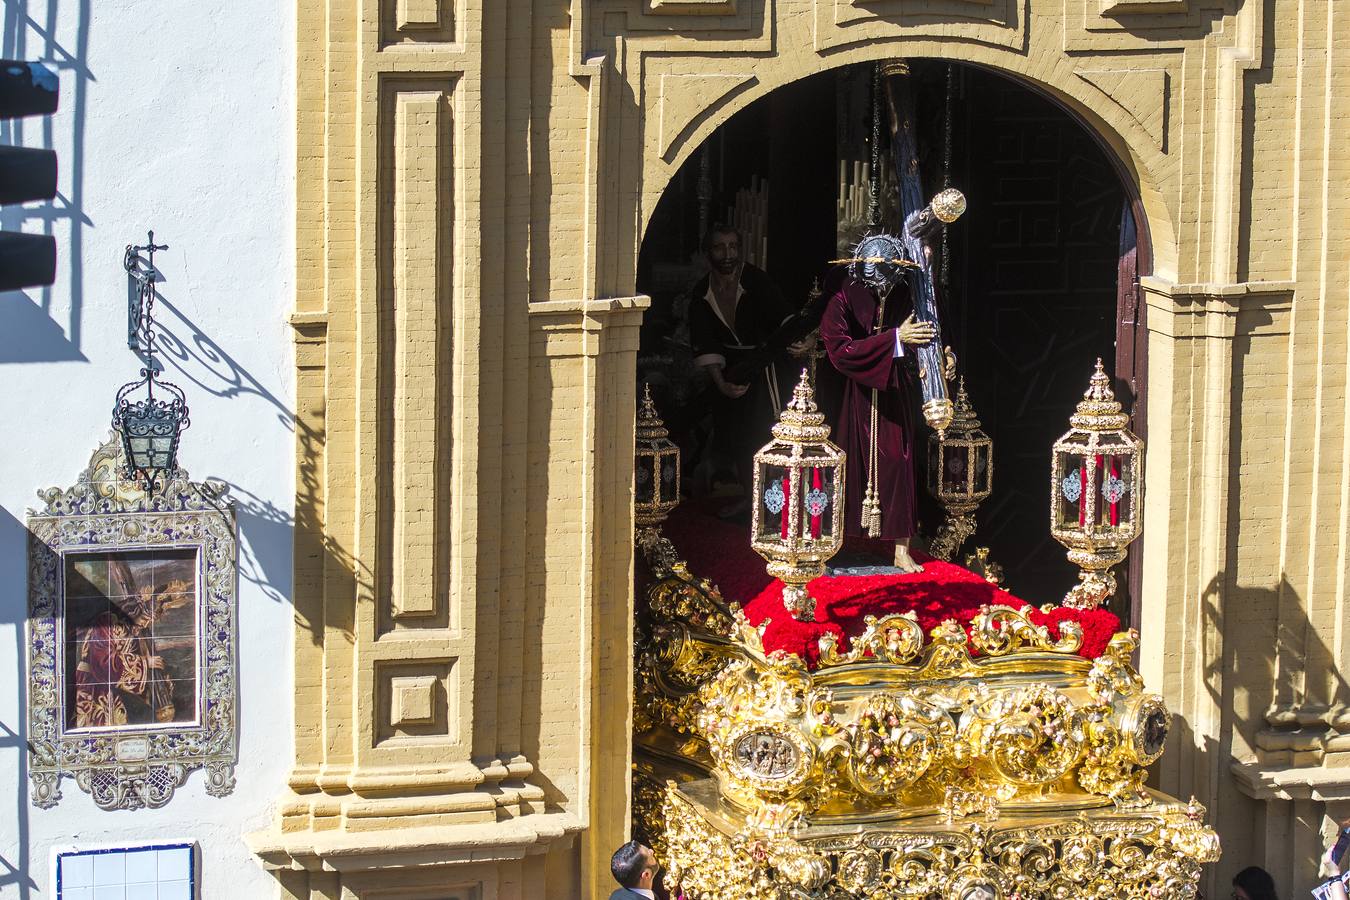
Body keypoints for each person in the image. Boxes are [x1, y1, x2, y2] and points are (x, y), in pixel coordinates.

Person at [821, 232, 939, 573]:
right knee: (845, 463)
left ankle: (901, 549)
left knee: (899, 463)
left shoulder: (910, 291)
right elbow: (838, 347)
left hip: (894, 391)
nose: (880, 287)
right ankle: (835, 543)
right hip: (852, 396)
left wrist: (941, 355)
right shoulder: (844, 294)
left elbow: (929, 332)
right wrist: (894, 340)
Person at [689, 224, 803, 517]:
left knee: (767, 433)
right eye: (719, 247)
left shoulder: (755, 280)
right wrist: (722, 383)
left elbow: (784, 316)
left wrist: (802, 338)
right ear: (708, 252)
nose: (727, 254)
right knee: (738, 436)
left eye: (732, 247)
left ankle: (776, 506)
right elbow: (705, 342)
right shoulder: (701, 293)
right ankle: (751, 499)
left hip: (767, 371)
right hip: (731, 373)